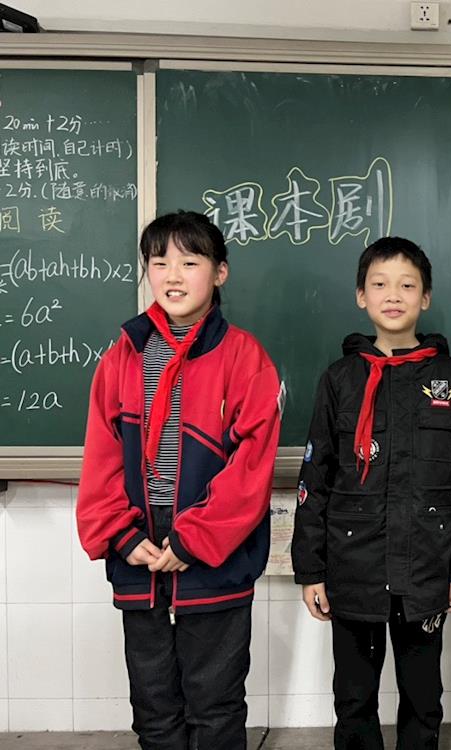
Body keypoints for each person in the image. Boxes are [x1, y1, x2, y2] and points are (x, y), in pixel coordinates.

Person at [77, 210, 282, 749]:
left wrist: (195, 539)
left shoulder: (245, 357)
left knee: (215, 707)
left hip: (213, 549)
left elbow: (251, 467)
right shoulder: (122, 357)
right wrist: (122, 536)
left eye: (190, 262)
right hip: (139, 545)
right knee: (153, 709)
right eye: (159, 262)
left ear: (219, 272)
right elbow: (100, 459)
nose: (172, 276)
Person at [292, 236, 451, 749]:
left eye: (407, 285)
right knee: (353, 696)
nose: (393, 295)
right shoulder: (340, 379)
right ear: (362, 296)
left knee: (423, 696)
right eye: (379, 284)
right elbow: (314, 477)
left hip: (427, 565)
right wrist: (311, 569)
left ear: (426, 297)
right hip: (353, 564)